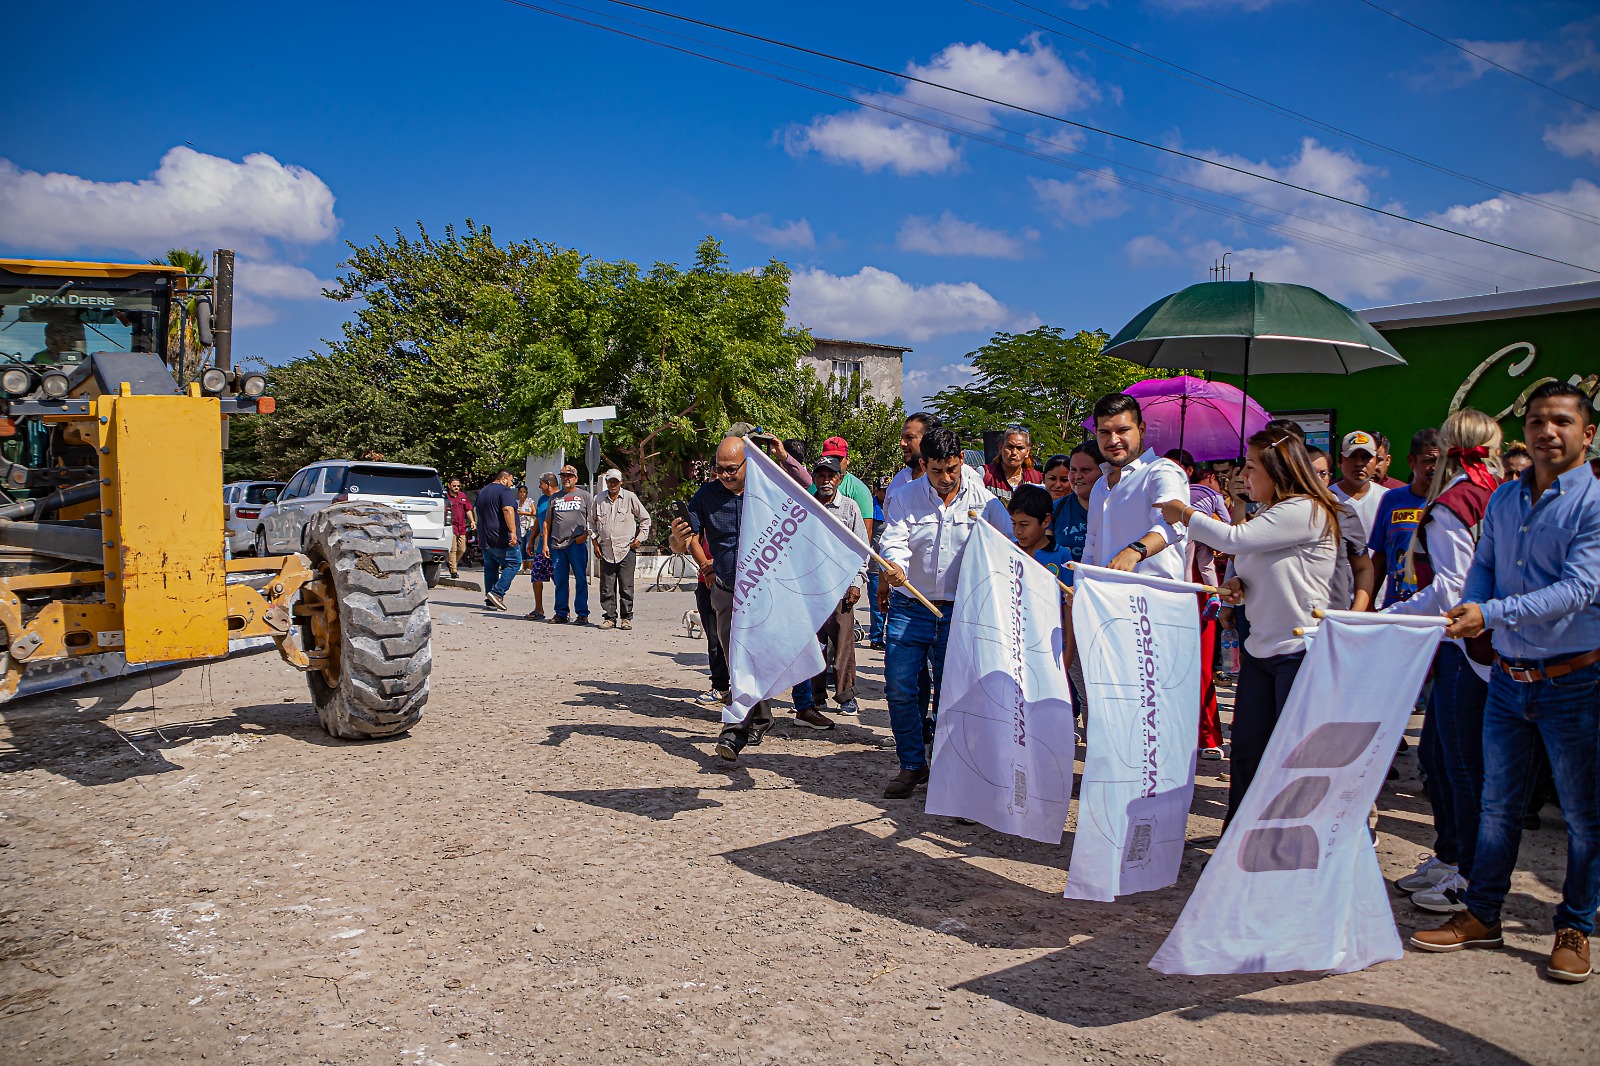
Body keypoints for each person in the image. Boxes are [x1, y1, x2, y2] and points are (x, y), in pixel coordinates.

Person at [1413, 381, 1600, 985]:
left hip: (1574, 678)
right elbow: (1483, 570)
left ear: (1587, 433)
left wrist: (1487, 615)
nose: (1549, 432)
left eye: (1563, 422)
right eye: (1539, 421)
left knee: (1582, 814)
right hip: (1507, 678)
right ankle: (1483, 914)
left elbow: (1579, 589)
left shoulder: (1594, 501)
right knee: (1496, 806)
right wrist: (1474, 610)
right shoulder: (1504, 500)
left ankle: (1574, 925)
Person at [1158, 431, 1338, 824]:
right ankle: (1236, 843)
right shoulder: (1272, 512)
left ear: (1277, 471)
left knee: (1293, 758)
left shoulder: (1305, 510)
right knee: (1247, 753)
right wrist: (1243, 585)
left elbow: (1233, 538)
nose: (1242, 474)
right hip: (1261, 652)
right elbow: (1262, 561)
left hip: (1299, 653)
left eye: (1251, 466)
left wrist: (1183, 512)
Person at [1383, 410, 1502, 914]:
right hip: (1473, 644)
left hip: (1466, 647)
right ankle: (1451, 854)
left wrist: (1393, 615)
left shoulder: (1456, 503)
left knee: (1459, 766)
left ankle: (1467, 873)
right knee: (1438, 758)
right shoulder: (1495, 491)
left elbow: (1451, 591)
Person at [668, 434, 814, 762]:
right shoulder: (706, 495)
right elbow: (681, 540)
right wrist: (678, 541)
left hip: (767, 594)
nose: (725, 475)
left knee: (756, 659)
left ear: (749, 463)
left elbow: (809, 493)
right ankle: (754, 720)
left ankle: (736, 730)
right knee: (738, 661)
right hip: (726, 593)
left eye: (732, 469)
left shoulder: (770, 486)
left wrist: (784, 457)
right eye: (719, 470)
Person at [877, 427, 993, 799]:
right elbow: (893, 539)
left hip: (961, 611)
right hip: (911, 606)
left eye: (953, 470)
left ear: (961, 462)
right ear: (923, 464)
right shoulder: (904, 496)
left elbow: (1002, 548)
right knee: (899, 688)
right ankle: (912, 765)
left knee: (952, 696)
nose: (946, 479)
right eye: (938, 471)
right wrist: (894, 567)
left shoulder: (985, 500)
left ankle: (950, 771)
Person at [1166, 448, 1232, 762]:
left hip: (1201, 593)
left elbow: (1227, 541)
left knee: (1205, 669)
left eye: (1180, 468)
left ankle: (1207, 735)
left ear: (1190, 470)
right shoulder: (1153, 500)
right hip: (1165, 590)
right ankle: (1170, 734)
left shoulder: (1205, 499)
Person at [791, 454, 867, 726]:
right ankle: (814, 696)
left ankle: (846, 696)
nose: (826, 480)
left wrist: (857, 582)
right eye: (821, 475)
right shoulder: (806, 506)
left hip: (841, 586)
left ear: (840, 478)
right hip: (810, 588)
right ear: (815, 478)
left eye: (831, 476)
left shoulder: (850, 509)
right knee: (812, 644)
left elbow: (861, 549)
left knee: (844, 642)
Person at [1082, 393, 1190, 582]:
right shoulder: (1100, 485)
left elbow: (1174, 524)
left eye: (1122, 430)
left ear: (1141, 429)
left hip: (1152, 601)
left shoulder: (1162, 471)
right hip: (1104, 600)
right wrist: (1082, 582)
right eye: (1104, 432)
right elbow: (1092, 544)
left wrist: (1135, 550)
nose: (1113, 440)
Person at [1368, 429, 1441, 608]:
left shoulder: (1449, 501)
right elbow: (1380, 557)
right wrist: (1367, 604)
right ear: (1411, 461)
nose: (1435, 468)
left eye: (1441, 461)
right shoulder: (1392, 499)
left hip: (1438, 613)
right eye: (1429, 461)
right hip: (1397, 608)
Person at [1307, 447, 1377, 612]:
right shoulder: (1280, 512)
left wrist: (1355, 615)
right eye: (1310, 473)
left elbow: (1363, 568)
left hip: (1335, 616)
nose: (1317, 480)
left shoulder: (1342, 513)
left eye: (1323, 473)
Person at [591, 468, 652, 631]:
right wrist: (595, 543)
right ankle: (609, 617)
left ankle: (626, 618)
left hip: (626, 550)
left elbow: (645, 519)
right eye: (610, 481)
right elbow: (591, 523)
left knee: (626, 586)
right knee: (606, 586)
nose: (612, 484)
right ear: (606, 482)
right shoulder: (598, 499)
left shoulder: (630, 497)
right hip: (606, 550)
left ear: (620, 483)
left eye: (615, 481)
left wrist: (639, 539)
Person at [544, 465, 593, 625]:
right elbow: (547, 522)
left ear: (576, 479)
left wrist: (585, 535)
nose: (566, 479)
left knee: (580, 578)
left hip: (576, 545)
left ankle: (582, 613)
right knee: (560, 580)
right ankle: (561, 613)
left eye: (569, 476)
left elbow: (592, 520)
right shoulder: (555, 498)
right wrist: (545, 544)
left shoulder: (585, 496)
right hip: (557, 545)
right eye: (563, 476)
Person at [474, 470, 521, 611]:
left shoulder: (483, 491)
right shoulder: (504, 491)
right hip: (501, 537)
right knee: (514, 563)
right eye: (511, 481)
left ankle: (490, 602)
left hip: (485, 537)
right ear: (504, 479)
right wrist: (513, 532)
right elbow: (507, 510)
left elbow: (478, 511)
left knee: (491, 567)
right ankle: (497, 593)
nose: (511, 484)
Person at [812, 437, 874, 540]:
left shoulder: (858, 493)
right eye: (829, 457)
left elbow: (865, 535)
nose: (826, 481)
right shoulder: (810, 493)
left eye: (838, 458)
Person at [1332, 430, 1387, 542]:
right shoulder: (1326, 499)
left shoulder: (1387, 498)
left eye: (1366, 457)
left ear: (1376, 461)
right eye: (1352, 456)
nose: (1359, 463)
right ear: (1339, 461)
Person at [1009, 484, 1072, 576]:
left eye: (1024, 524)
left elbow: (1068, 589)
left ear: (1046, 521)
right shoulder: (1009, 552)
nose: (1018, 531)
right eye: (1014, 523)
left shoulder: (1062, 556)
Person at [983, 424, 1043, 505]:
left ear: (1027, 452)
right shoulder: (984, 474)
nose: (1014, 453)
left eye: (1020, 448)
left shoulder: (1037, 479)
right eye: (1010, 447)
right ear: (1000, 447)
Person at [525, 473, 557, 620]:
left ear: (548, 484)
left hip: (557, 546)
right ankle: (539, 609)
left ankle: (564, 611)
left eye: (541, 484)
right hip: (541, 547)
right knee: (536, 576)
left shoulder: (561, 497)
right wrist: (531, 539)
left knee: (559, 580)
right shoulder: (542, 499)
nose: (539, 487)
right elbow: (538, 520)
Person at [886, 412, 940, 497]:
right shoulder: (898, 481)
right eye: (902, 438)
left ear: (930, 439)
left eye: (910, 437)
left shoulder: (961, 476)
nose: (902, 443)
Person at [866, 477, 889, 649]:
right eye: (884, 490)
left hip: (892, 563)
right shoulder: (870, 508)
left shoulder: (895, 506)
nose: (886, 494)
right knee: (876, 603)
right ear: (877, 490)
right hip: (875, 564)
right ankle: (876, 637)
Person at [446, 477, 475, 580]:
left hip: (461, 527)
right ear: (449, 486)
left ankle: (451, 563)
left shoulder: (462, 496)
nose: (456, 487)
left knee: (462, 549)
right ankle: (454, 571)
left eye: (458, 486)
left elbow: (468, 509)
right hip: (451, 527)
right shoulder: (446, 497)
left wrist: (472, 521)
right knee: (453, 549)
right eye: (454, 486)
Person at [516, 485, 536, 573]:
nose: (522, 494)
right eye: (520, 492)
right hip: (520, 527)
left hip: (528, 526)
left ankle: (530, 567)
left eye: (524, 492)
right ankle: (523, 567)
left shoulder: (529, 501)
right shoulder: (516, 502)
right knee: (521, 546)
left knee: (529, 546)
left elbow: (534, 512)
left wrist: (523, 513)